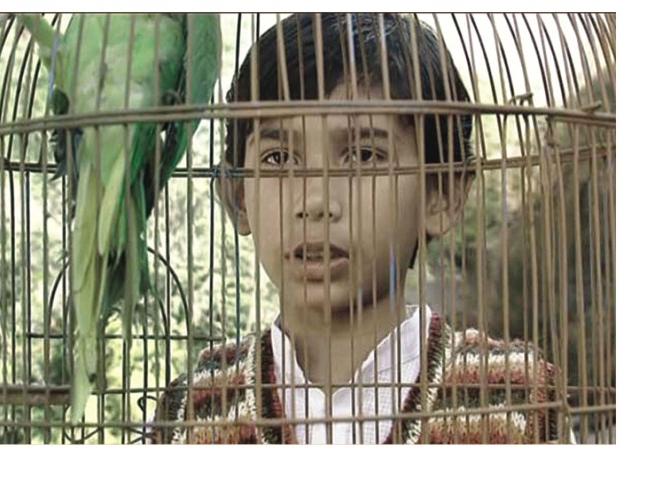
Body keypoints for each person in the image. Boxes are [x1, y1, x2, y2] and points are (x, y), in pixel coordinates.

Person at [152, 13, 569, 444]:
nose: (316, 201)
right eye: (279, 159)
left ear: (442, 194)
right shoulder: (194, 411)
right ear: (238, 197)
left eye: (364, 156)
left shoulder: (514, 401)